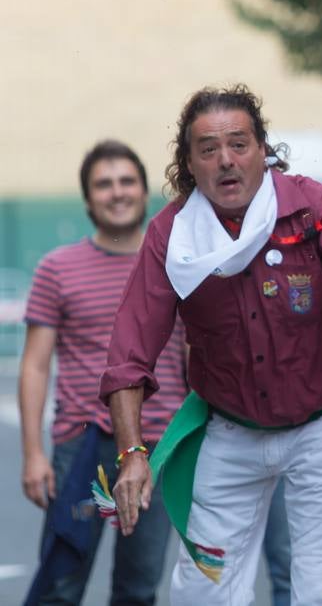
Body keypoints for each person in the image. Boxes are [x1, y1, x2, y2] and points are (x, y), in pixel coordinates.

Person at [98, 84, 322, 606]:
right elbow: (129, 351)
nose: (226, 160)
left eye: (239, 144)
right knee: (200, 591)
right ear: (189, 164)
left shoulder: (316, 208)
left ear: (262, 150)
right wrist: (132, 452)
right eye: (208, 149)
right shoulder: (173, 236)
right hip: (231, 426)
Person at [19, 140, 188, 605]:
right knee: (61, 581)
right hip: (82, 446)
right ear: (89, 198)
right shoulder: (57, 269)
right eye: (104, 184)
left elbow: (196, 358)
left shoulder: (177, 265)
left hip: (159, 449)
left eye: (127, 181)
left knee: (138, 588)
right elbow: (35, 365)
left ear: (143, 189)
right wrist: (34, 453)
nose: (117, 192)